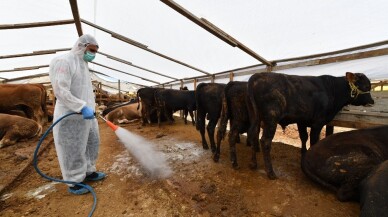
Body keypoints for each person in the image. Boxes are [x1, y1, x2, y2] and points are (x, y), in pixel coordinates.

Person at [49, 34, 106, 195]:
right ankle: (74, 180)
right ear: (82, 46)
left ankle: (88, 171)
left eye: (95, 52)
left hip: (86, 115)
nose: (93, 54)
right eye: (91, 50)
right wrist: (81, 107)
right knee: (72, 148)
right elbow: (61, 90)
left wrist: (90, 108)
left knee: (91, 143)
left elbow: (84, 91)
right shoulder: (64, 61)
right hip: (70, 116)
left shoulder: (83, 64)